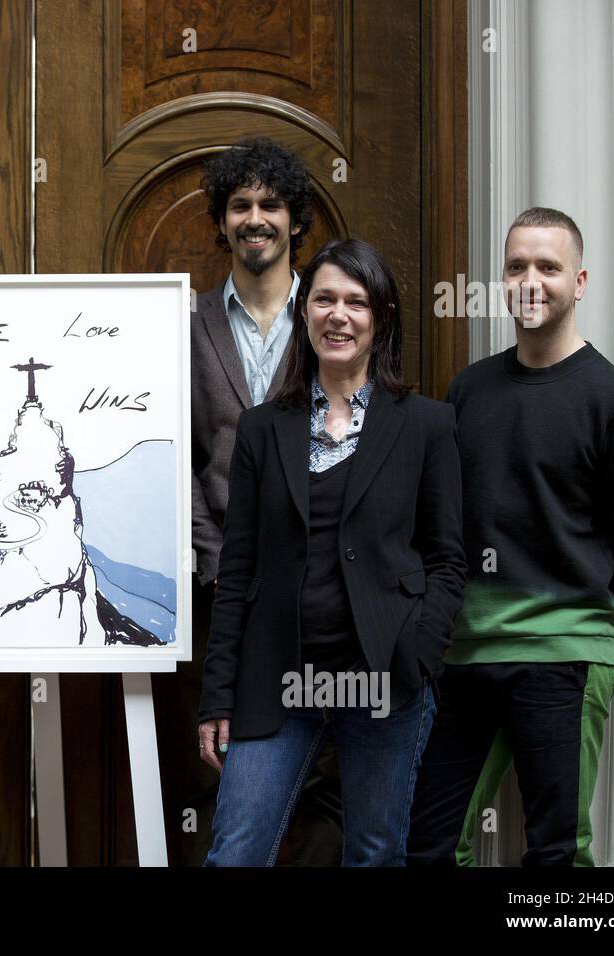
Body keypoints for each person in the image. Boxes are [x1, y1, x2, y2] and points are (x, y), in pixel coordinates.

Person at [408, 208, 614, 866]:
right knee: (431, 846)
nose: (531, 280)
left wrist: (588, 625)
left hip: (565, 654)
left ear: (579, 282)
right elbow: (444, 525)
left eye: (548, 267)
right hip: (468, 656)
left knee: (555, 851)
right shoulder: (469, 391)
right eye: (517, 266)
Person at [198, 238, 466, 866]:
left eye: (356, 302)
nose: (338, 315)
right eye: (324, 299)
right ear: (304, 312)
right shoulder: (264, 429)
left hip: (383, 681)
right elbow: (236, 572)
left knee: (373, 854)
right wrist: (217, 696)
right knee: (235, 853)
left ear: (381, 319)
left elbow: (449, 560)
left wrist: (418, 652)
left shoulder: (426, 425)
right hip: (277, 679)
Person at [171, 135, 341, 865]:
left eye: (271, 204)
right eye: (240, 205)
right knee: (219, 767)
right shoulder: (188, 327)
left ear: (295, 218)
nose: (255, 218)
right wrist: (217, 562)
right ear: (222, 220)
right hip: (219, 599)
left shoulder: (336, 317)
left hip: (324, 591)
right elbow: (176, 457)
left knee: (324, 775)